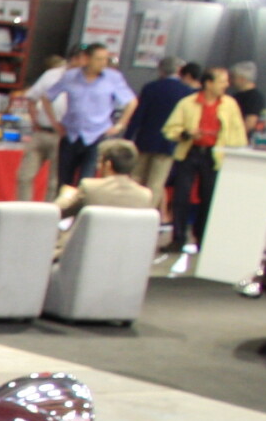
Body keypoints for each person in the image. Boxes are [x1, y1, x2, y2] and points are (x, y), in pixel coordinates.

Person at [163, 65, 246, 261]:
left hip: (214, 155)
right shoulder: (188, 103)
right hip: (190, 152)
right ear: (208, 83)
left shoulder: (229, 105)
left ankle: (202, 237)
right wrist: (186, 133)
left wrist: (235, 153)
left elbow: (237, 132)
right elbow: (170, 129)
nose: (226, 85)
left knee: (209, 197)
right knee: (181, 196)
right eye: (222, 81)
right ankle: (178, 238)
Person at [52, 42, 135, 191]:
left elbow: (131, 101)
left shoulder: (113, 78)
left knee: (86, 181)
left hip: (97, 135)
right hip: (71, 134)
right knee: (64, 182)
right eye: (99, 59)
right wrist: (54, 122)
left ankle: (82, 206)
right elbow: (47, 96)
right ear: (87, 59)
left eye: (105, 59)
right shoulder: (71, 76)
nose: (103, 63)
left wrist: (120, 125)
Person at [127, 61, 199, 210]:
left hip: (145, 140)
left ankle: (130, 207)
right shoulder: (186, 92)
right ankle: (147, 212)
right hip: (169, 143)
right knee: (156, 182)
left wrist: (128, 137)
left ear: (161, 71)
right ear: (178, 71)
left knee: (136, 177)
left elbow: (138, 115)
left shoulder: (150, 87)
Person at [14, 54, 68, 199]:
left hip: (62, 136)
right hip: (41, 132)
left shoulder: (85, 80)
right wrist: (34, 121)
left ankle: (50, 211)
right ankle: (22, 209)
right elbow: (31, 98)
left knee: (54, 182)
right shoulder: (51, 75)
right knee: (24, 175)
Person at [231, 61, 266, 138]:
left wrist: (233, 137)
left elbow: (250, 123)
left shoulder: (254, 97)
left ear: (242, 79)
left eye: (234, 77)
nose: (231, 81)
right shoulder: (236, 96)